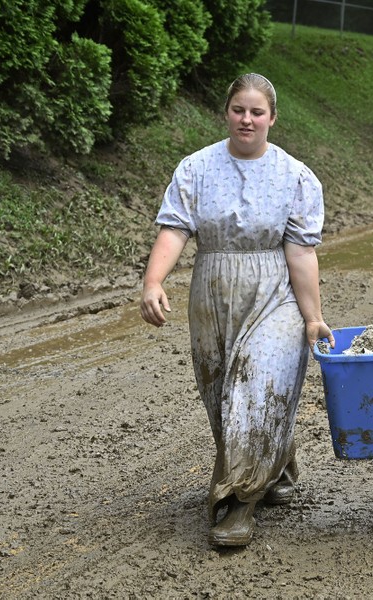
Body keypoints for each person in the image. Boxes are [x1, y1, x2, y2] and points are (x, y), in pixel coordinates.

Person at [140, 73, 335, 548]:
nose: (246, 120)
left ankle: (236, 504)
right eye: (238, 110)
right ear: (226, 112)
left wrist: (312, 316)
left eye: (257, 112)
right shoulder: (196, 168)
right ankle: (276, 457)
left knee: (255, 385)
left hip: (274, 292)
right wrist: (153, 280)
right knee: (222, 395)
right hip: (212, 291)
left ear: (272, 118)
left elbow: (302, 253)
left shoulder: (295, 176)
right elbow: (175, 229)